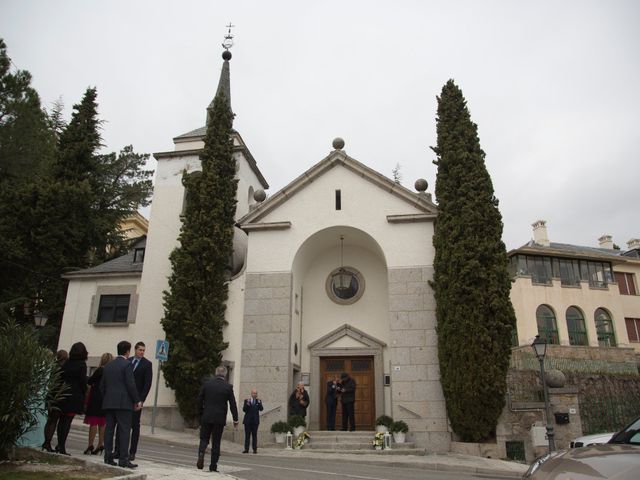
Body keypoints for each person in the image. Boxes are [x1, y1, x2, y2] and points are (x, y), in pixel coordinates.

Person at [100, 340, 141, 469]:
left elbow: (102, 386)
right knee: (124, 430)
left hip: (109, 402)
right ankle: (123, 459)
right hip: (124, 403)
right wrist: (136, 400)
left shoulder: (108, 365)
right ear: (128, 351)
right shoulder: (127, 365)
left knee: (109, 430)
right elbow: (130, 384)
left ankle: (107, 456)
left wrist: (107, 398)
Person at [196, 365, 239, 472]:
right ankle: (213, 465)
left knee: (204, 438)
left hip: (206, 417)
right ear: (225, 374)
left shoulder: (207, 384)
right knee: (216, 441)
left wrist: (200, 414)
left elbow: (199, 400)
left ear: (216, 373)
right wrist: (235, 419)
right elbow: (233, 404)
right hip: (219, 419)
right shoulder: (228, 387)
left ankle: (201, 454)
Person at [55, 342, 88, 455]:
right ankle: (62, 446)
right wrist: (84, 392)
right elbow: (83, 381)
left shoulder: (67, 363)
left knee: (61, 421)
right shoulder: (82, 365)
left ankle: (59, 444)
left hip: (63, 394)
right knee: (67, 422)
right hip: (74, 396)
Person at [83, 352, 113, 455]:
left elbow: (90, 381)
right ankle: (100, 444)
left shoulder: (100, 370)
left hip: (96, 397)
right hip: (106, 398)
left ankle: (90, 444)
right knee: (102, 422)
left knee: (93, 422)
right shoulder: (112, 371)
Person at [127, 341, 152, 461]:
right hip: (125, 398)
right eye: (140, 350)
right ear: (135, 350)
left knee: (135, 426)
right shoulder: (128, 361)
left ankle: (132, 452)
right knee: (122, 424)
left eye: (143, 350)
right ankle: (118, 449)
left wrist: (141, 400)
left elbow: (147, 384)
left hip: (137, 399)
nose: (142, 352)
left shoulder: (147, 364)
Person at [42, 349, 68, 452]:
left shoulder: (53, 367)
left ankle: (45, 441)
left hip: (51, 394)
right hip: (58, 395)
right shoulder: (64, 368)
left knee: (50, 419)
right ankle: (48, 442)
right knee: (54, 420)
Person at [242, 388, 263, 454]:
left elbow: (261, 409)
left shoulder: (258, 401)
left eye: (256, 393)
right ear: (251, 394)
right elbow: (244, 410)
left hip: (255, 421)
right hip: (247, 421)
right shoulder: (247, 400)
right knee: (247, 435)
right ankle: (246, 449)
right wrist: (247, 404)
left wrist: (259, 403)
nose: (255, 394)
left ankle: (254, 449)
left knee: (254, 435)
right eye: (253, 393)